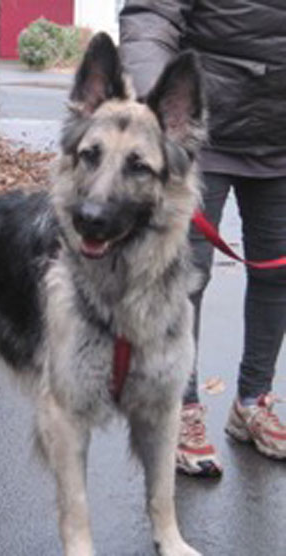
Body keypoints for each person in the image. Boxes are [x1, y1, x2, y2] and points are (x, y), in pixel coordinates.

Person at [119, 0, 286, 477]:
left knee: (277, 275)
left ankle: (252, 402)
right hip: (199, 136)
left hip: (279, 138)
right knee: (185, 278)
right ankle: (180, 409)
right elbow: (152, 15)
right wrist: (160, 105)